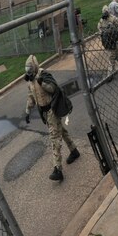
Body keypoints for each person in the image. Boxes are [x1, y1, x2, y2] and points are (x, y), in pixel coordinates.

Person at [23, 54, 79, 182]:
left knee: (54, 138)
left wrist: (41, 82)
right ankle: (74, 150)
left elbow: (53, 89)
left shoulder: (43, 75)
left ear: (35, 68)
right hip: (44, 113)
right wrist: (27, 111)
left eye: (31, 71)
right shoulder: (30, 81)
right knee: (61, 131)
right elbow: (31, 96)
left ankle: (57, 169)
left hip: (52, 110)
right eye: (28, 72)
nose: (30, 74)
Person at [97, 6, 118, 72]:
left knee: (112, 56)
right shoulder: (102, 20)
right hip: (107, 41)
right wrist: (103, 33)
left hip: (114, 40)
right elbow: (99, 28)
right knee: (115, 53)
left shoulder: (113, 19)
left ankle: (110, 71)